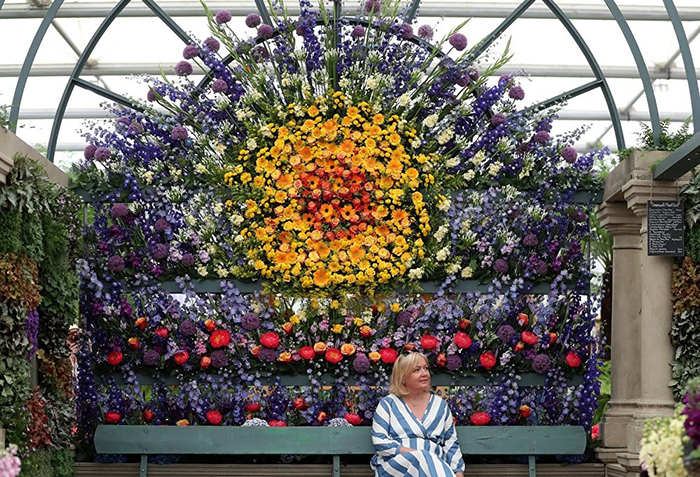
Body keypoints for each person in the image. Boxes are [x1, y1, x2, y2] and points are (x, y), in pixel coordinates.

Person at [371, 351, 465, 477]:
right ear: (402, 377)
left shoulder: (440, 405)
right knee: (423, 456)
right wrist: (415, 453)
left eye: (425, 368)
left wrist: (458, 473)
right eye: (417, 370)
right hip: (396, 468)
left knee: (427, 459)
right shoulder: (388, 404)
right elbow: (379, 441)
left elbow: (451, 444)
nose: (424, 373)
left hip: (433, 470)